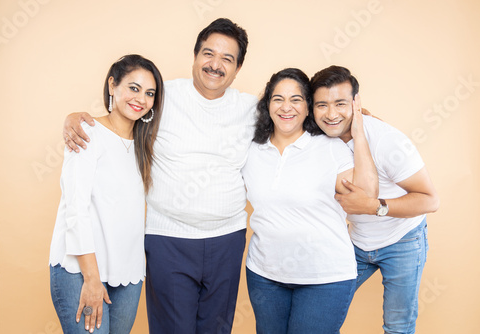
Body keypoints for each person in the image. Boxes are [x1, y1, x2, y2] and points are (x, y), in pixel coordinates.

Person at [62, 19, 256, 334]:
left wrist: (358, 122)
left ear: (237, 69)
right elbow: (122, 118)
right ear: (195, 56)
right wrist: (74, 119)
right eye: (208, 53)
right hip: (168, 240)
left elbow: (299, 120)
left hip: (227, 239)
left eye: (227, 59)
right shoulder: (162, 97)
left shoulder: (252, 109)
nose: (215, 65)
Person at [241, 68, 378, 334]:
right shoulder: (252, 149)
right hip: (265, 274)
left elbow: (367, 194)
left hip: (325, 278)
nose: (286, 107)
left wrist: (359, 134)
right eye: (278, 98)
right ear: (267, 104)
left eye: (296, 99)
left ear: (308, 108)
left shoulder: (329, 147)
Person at [310, 65, 440, 334]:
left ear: (356, 103)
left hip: (403, 240)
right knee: (319, 312)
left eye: (340, 103)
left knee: (397, 327)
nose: (331, 114)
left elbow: (430, 200)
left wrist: (374, 206)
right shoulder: (317, 137)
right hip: (356, 243)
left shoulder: (387, 141)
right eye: (322, 105)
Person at [49, 54, 164, 333]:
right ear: (112, 85)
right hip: (81, 271)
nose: (141, 99)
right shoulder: (87, 133)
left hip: (128, 274)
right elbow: (75, 209)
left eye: (149, 93)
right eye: (133, 88)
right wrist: (91, 278)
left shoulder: (145, 145)